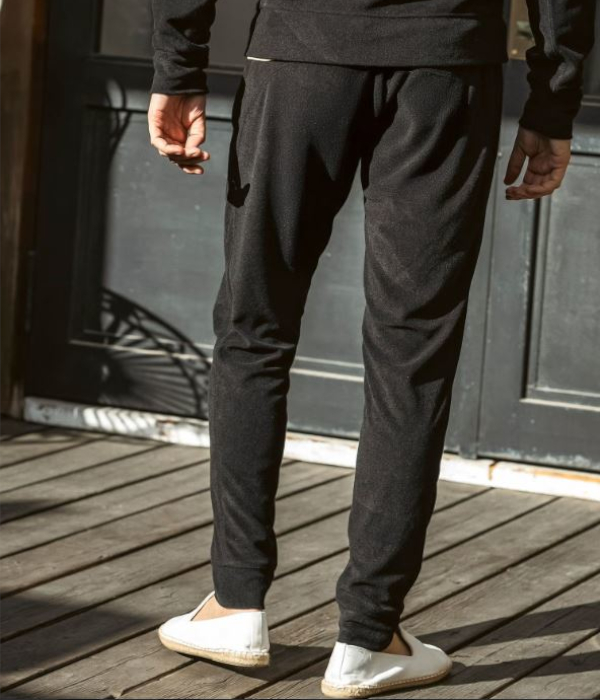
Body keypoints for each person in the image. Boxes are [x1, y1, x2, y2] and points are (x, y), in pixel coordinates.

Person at [148, 0, 595, 696]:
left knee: (254, 330)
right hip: (445, 64)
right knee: (412, 352)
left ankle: (235, 606)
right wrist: (553, 99)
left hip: (300, 54)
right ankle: (369, 636)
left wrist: (179, 66)